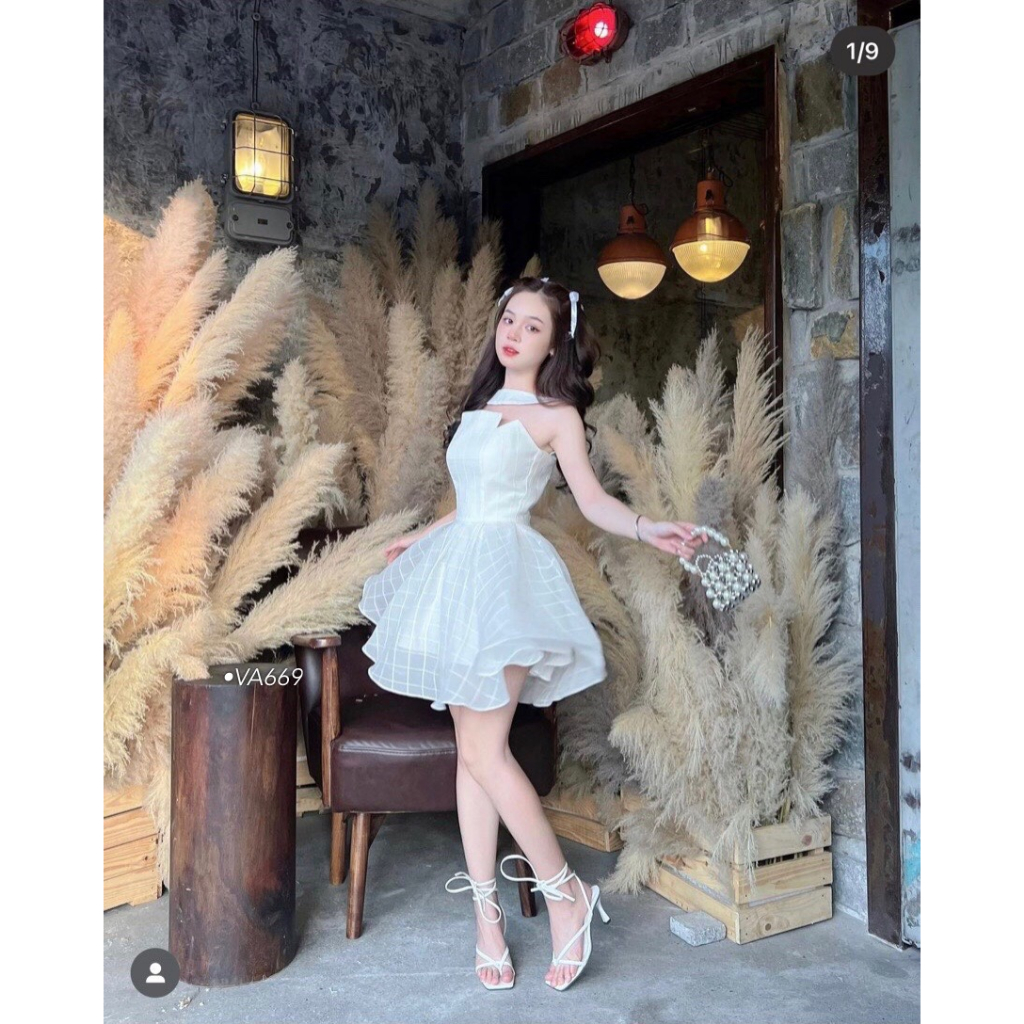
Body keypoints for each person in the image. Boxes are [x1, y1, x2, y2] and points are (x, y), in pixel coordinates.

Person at [358, 276, 708, 992]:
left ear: (555, 346)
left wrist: (648, 528)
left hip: (508, 584)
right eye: (509, 319)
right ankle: (487, 920)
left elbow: (592, 500)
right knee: (471, 754)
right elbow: (469, 503)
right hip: (456, 575)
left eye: (532, 327)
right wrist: (421, 536)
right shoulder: (481, 408)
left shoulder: (557, 417)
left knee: (486, 751)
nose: (513, 334)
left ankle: (564, 892)